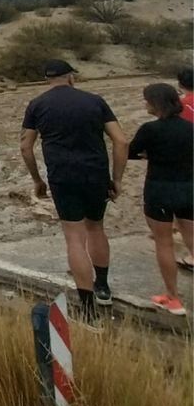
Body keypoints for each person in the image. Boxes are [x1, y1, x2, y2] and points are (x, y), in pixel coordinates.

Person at [19, 60, 128, 322]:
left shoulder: (37, 105)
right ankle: (103, 288)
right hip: (95, 174)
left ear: (48, 79)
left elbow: (25, 146)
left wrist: (37, 180)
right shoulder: (95, 101)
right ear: (70, 77)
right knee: (96, 228)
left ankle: (88, 311)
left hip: (63, 176)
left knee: (74, 239)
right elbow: (121, 141)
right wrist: (117, 179)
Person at [127, 83, 193, 315]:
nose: (144, 104)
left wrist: (148, 154)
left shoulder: (150, 130)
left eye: (147, 100)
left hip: (159, 190)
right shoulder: (190, 128)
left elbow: (129, 151)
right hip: (188, 189)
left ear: (156, 103)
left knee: (163, 243)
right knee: (192, 239)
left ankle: (173, 298)